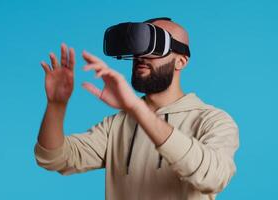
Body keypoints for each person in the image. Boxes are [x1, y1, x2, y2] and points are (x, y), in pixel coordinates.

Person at [34, 18, 239, 200]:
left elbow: (214, 177)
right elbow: (54, 158)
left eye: (156, 46)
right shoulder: (117, 124)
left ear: (181, 61)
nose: (142, 55)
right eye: (140, 45)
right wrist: (56, 105)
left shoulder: (213, 120)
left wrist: (135, 108)